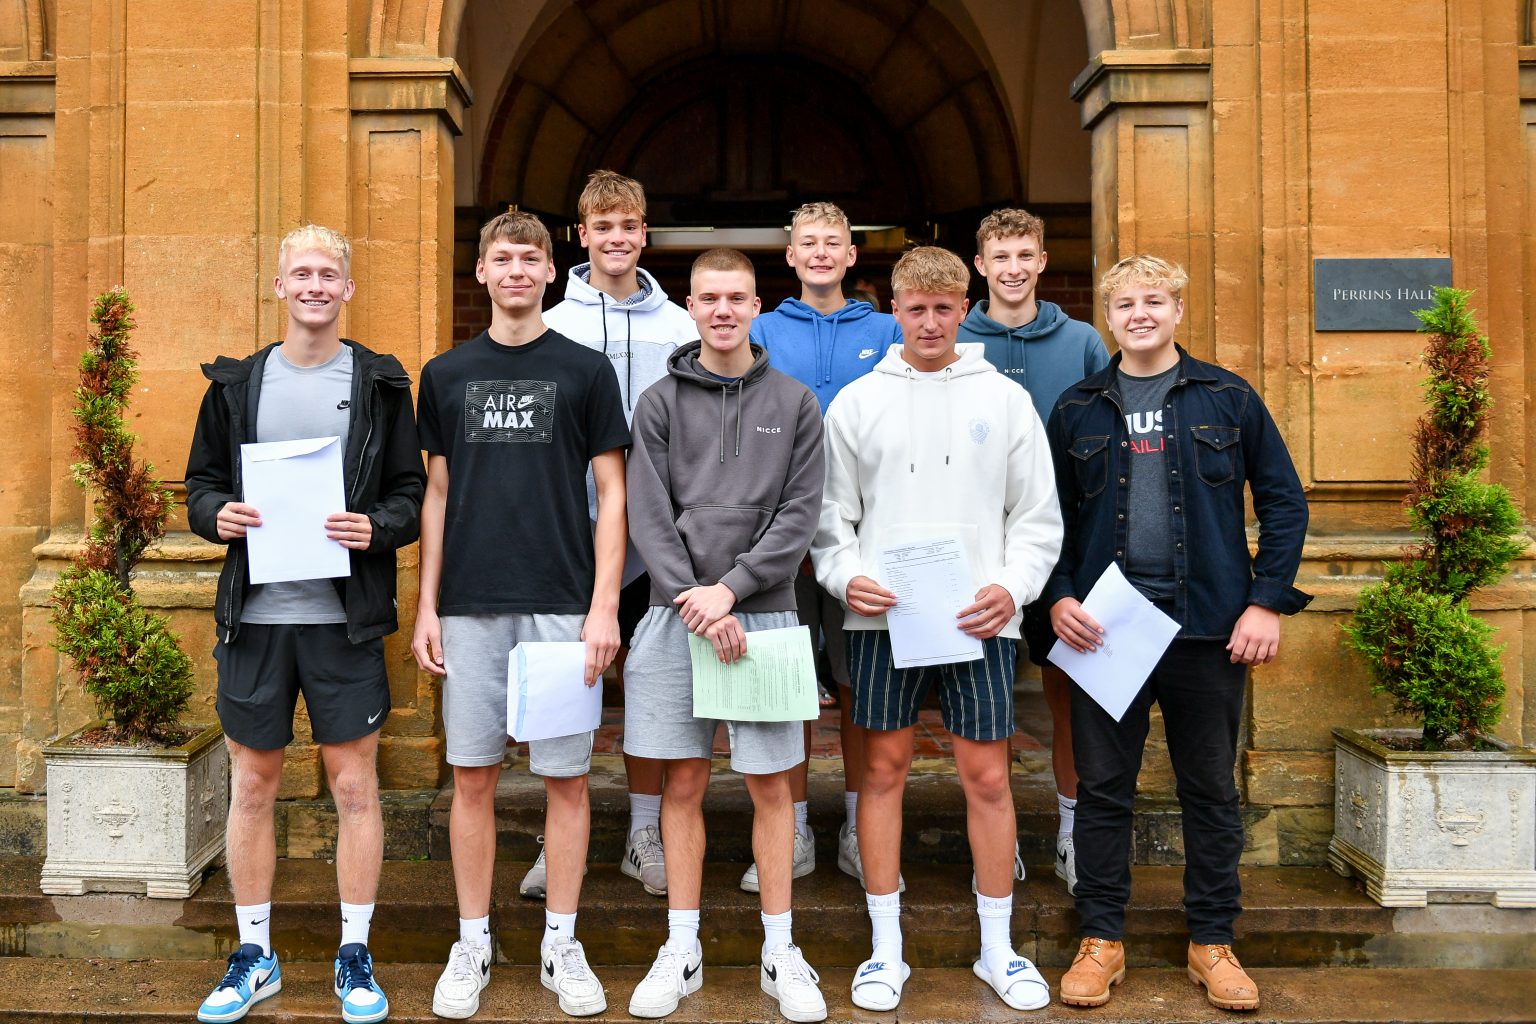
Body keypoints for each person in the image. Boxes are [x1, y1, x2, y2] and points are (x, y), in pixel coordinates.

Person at [1046, 255, 1310, 1012]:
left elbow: (1285, 504)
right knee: (1102, 791)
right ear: (1108, 316)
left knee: (1209, 790)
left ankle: (1213, 941)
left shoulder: (1228, 398)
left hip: (1208, 627)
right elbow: (1049, 522)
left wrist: (1266, 602)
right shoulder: (1076, 408)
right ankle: (1101, 940)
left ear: (1178, 311)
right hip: (1108, 632)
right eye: (1125, 303)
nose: (1140, 314)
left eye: (1154, 301)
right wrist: (1059, 597)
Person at [812, 246, 1062, 1013]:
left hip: (978, 618)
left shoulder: (1006, 400)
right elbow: (829, 514)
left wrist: (1011, 588)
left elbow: (1036, 517)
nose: (928, 322)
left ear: (964, 308)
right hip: (883, 618)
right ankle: (887, 947)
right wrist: (842, 573)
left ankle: (998, 948)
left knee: (987, 778)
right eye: (914, 308)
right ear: (894, 309)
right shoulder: (857, 400)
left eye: (943, 308)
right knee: (882, 773)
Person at [186, 224, 425, 1024]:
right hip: (256, 618)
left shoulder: (383, 385)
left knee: (355, 786)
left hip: (342, 620)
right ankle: (254, 953)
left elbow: (409, 494)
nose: (316, 285)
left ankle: (353, 951)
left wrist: (377, 527)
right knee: (252, 785)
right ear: (280, 287)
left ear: (348, 289)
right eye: (302, 274)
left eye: (330, 274)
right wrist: (218, 514)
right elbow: (200, 487)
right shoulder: (235, 385)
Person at [412, 211, 630, 1020]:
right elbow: (436, 496)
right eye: (501, 258)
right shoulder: (445, 373)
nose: (514, 270)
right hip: (470, 605)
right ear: (481, 273)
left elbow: (613, 494)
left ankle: (559, 941)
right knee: (472, 778)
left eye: (529, 258)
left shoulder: (584, 370)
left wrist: (603, 605)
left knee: (565, 780)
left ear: (551, 271)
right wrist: (426, 605)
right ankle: (473, 940)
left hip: (560, 604)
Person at [622, 248, 828, 1022]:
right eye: (708, 297)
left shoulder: (795, 401)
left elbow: (798, 514)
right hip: (676, 616)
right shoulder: (658, 402)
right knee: (682, 782)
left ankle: (780, 948)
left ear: (755, 304)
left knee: (773, 786)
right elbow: (648, 512)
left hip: (765, 614)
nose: (722, 310)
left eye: (736, 297)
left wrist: (731, 591)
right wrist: (695, 601)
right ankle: (682, 946)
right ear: (690, 304)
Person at [537, 169, 696, 901]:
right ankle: (554, 839)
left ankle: (641, 830)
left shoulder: (679, 328)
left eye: (628, 227)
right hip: (572, 530)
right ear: (582, 236)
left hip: (659, 535)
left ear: (643, 233)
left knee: (650, 684)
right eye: (603, 228)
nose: (617, 239)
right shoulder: (552, 321)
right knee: (568, 681)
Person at [748, 201, 904, 893]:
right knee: (784, 686)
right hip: (776, 538)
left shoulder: (888, 329)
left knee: (857, 685)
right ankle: (795, 827)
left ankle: (855, 823)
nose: (819, 252)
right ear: (790, 256)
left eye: (831, 243)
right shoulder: (759, 329)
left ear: (850, 256)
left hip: (862, 541)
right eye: (806, 243)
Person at [956, 207, 1110, 894]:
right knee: (978, 699)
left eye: (1025, 255)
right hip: (974, 545)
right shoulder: (955, 337)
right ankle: (997, 838)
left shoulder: (1080, 342)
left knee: (1066, 691)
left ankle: (1072, 832)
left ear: (1042, 261)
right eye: (1000, 256)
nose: (1013, 268)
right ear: (980, 265)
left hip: (1063, 541)